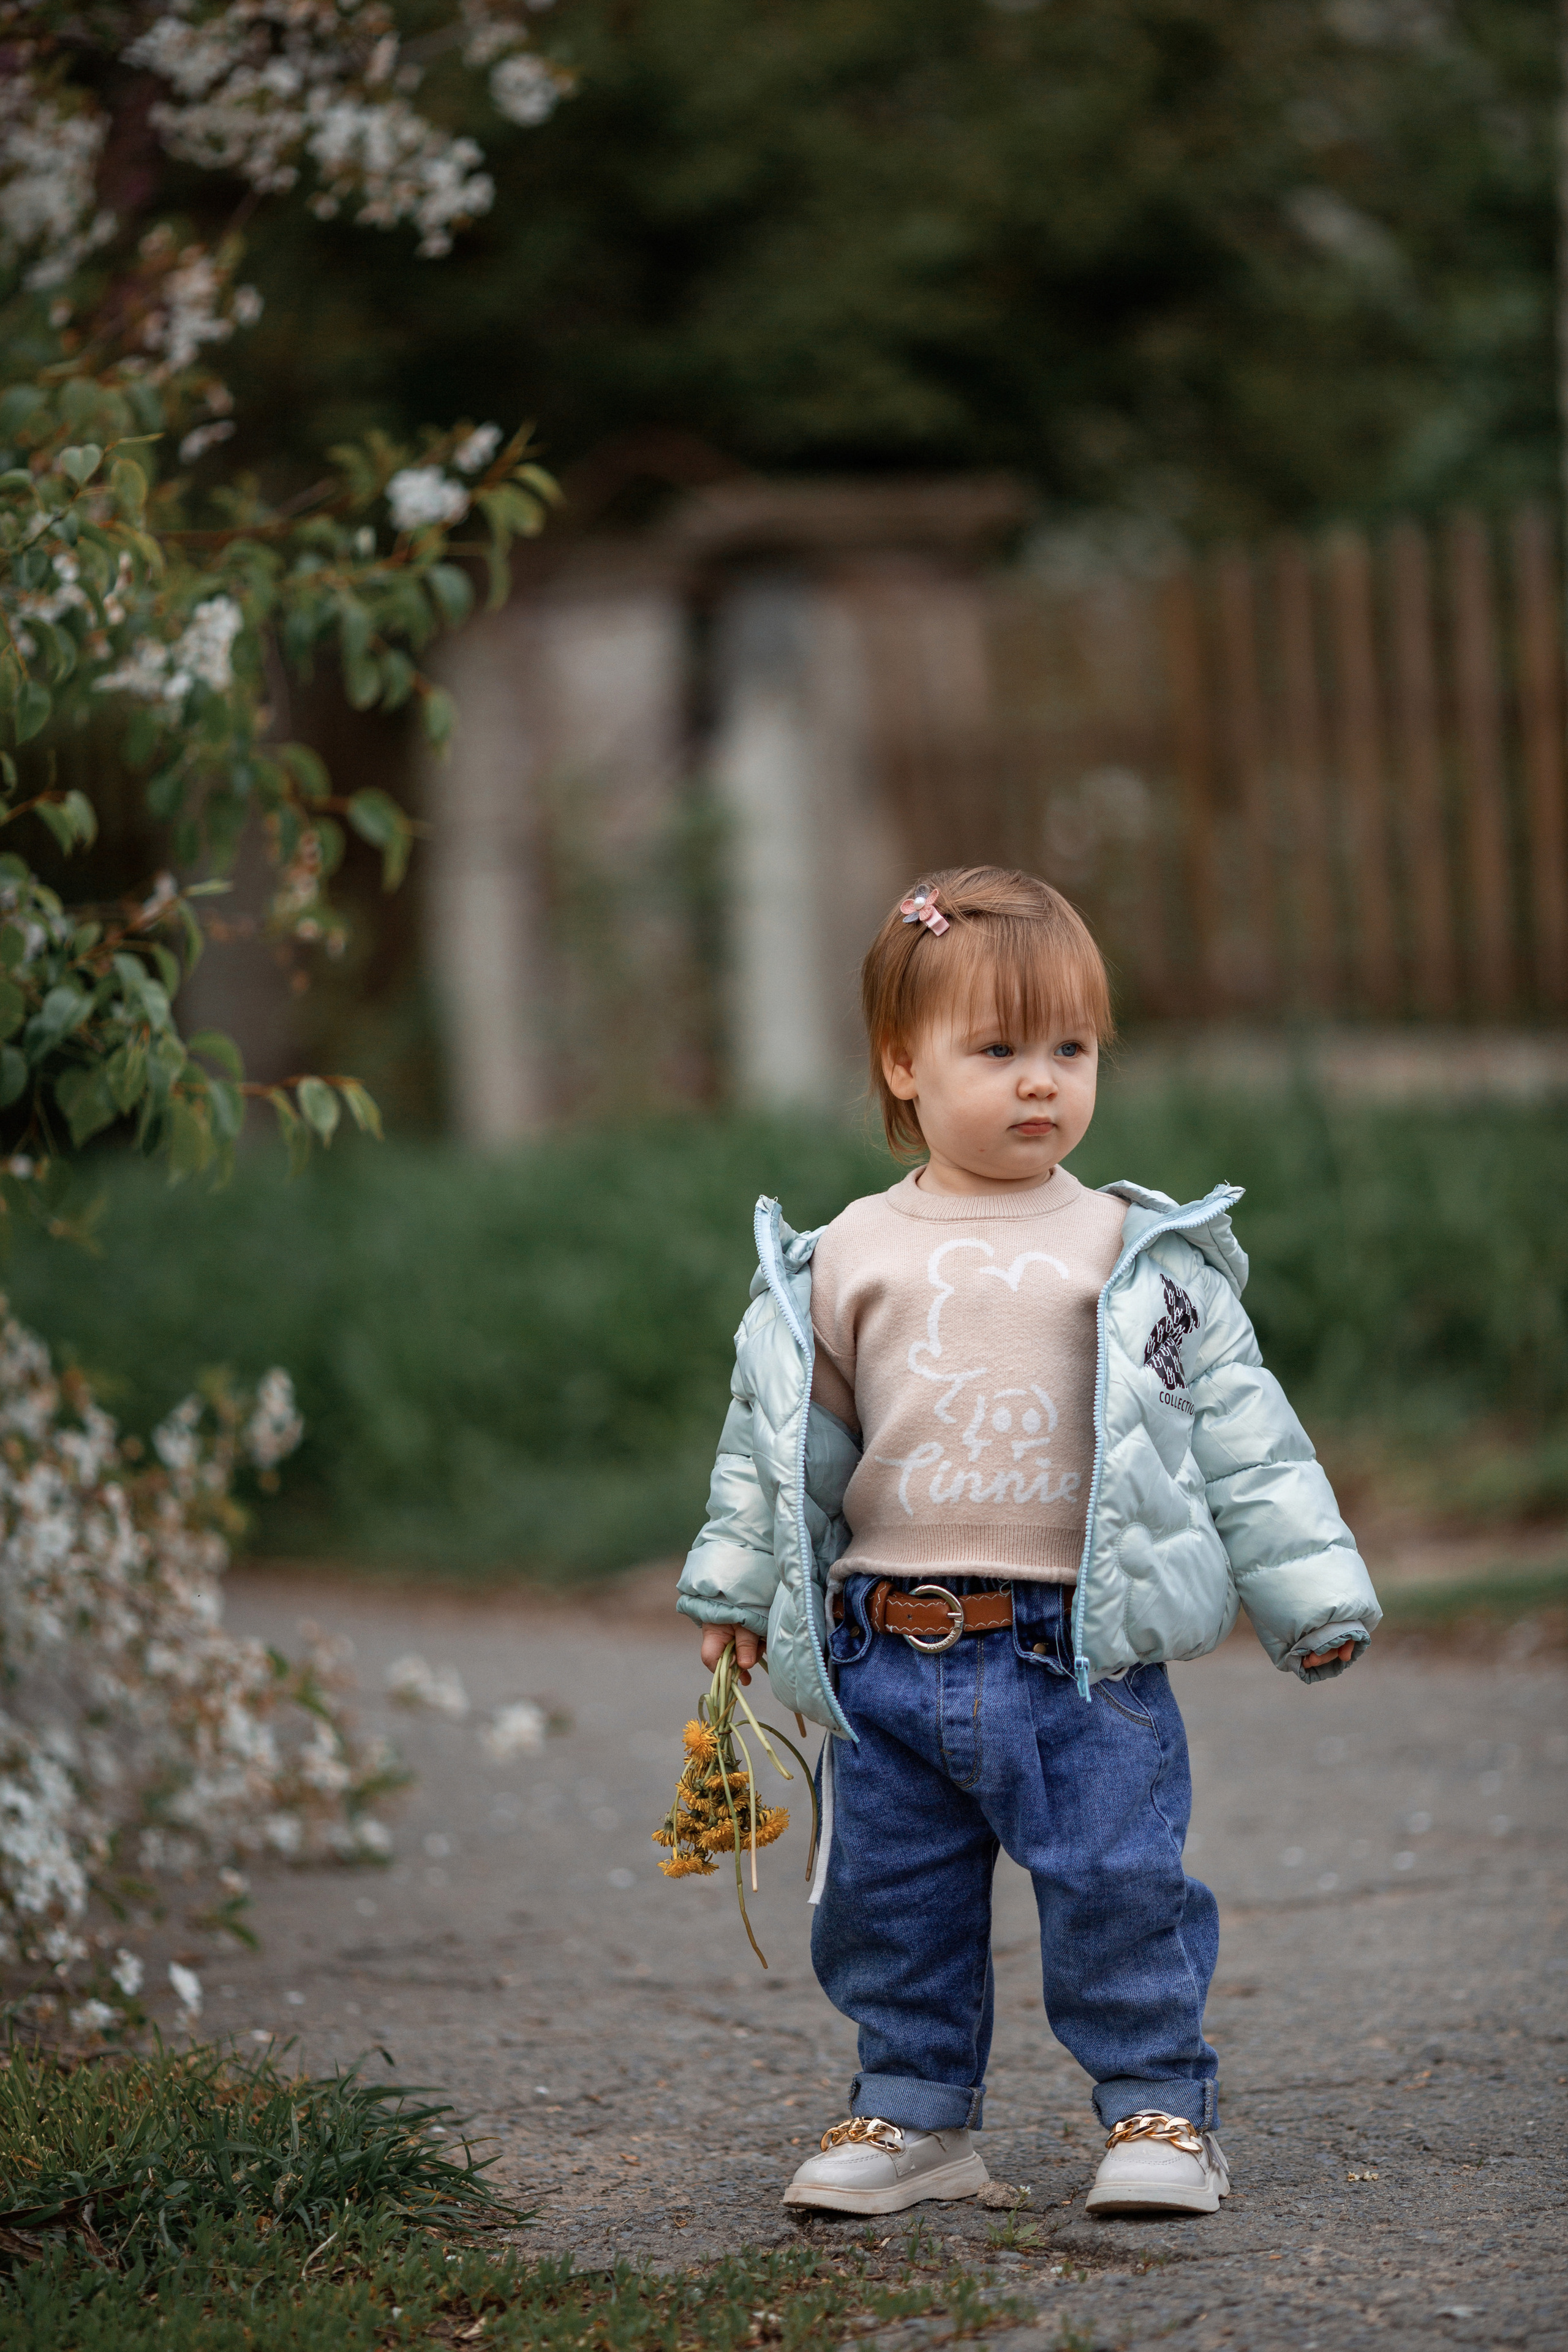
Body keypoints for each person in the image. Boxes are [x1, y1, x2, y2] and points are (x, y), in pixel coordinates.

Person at [676, 866, 1379, 2220]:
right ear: (901, 1061)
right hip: (884, 1648)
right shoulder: (844, 1257)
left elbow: (1247, 1436)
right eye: (995, 1051)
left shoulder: (1137, 1252)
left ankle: (1160, 2112)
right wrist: (732, 1588)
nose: (1039, 1081)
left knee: (1119, 1891)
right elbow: (773, 1454)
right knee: (888, 1908)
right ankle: (914, 2114)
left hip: (1082, 1663)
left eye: (1068, 1048)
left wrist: (1310, 1594)